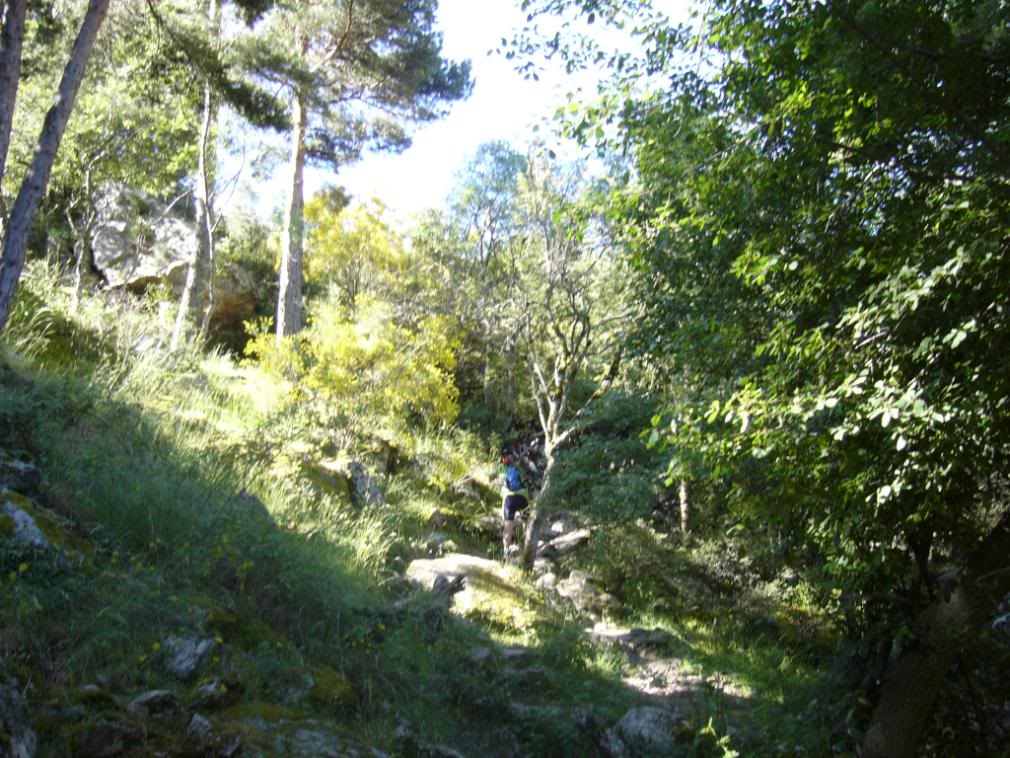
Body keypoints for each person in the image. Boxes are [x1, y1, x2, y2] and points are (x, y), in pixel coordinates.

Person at [500, 452, 529, 554]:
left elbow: (502, 489)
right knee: (526, 523)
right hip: (523, 498)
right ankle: (526, 550)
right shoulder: (522, 470)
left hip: (509, 499)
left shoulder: (503, 472)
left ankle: (505, 553)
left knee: (508, 526)